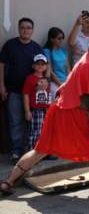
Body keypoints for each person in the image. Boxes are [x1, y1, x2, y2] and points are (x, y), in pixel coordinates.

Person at [0, 29, 89, 196]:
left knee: (41, 150)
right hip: (73, 110)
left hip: (62, 109)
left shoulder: (88, 60)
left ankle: (7, 182)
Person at [0, 17, 43, 163]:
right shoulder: (10, 45)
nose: (25, 30)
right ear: (19, 29)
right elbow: (1, 66)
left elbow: (44, 67)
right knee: (15, 121)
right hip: (14, 91)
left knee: (33, 123)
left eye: (28, 28)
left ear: (32, 30)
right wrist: (2, 86)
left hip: (33, 94)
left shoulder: (36, 48)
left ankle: (31, 150)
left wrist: (44, 82)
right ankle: (16, 152)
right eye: (23, 27)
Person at [22, 54, 51, 150]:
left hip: (45, 110)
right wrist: (27, 111)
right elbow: (25, 95)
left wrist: (48, 109)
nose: (40, 66)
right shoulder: (30, 78)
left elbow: (48, 95)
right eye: (38, 63)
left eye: (43, 64)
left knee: (43, 132)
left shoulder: (46, 80)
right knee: (34, 132)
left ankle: (40, 152)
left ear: (46, 66)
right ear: (33, 66)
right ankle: (30, 152)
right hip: (35, 110)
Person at [43, 27, 71, 101]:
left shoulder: (64, 51)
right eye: (59, 38)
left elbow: (68, 68)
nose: (61, 40)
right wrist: (61, 85)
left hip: (66, 82)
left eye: (62, 38)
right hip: (55, 83)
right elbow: (50, 71)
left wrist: (70, 81)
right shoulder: (47, 51)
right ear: (52, 39)